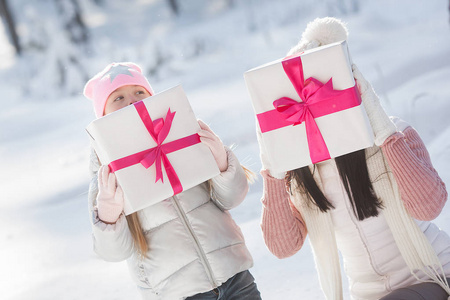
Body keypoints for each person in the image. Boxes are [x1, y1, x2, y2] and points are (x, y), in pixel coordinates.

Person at [258, 18, 450, 300]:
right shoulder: (303, 171)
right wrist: (272, 160)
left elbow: (429, 207)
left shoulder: (396, 134)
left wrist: (383, 131)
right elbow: (282, 247)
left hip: (434, 276)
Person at [84, 62, 261, 300]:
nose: (132, 101)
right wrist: (108, 216)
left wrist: (221, 163)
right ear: (102, 116)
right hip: (179, 293)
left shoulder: (183, 140)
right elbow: (114, 252)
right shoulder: (106, 178)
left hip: (235, 276)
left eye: (139, 92)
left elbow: (233, 197)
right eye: (118, 98)